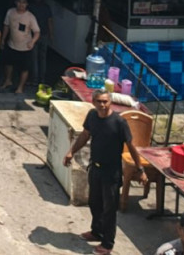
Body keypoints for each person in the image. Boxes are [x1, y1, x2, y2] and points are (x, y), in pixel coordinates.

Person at [63, 90, 145, 255]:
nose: (102, 105)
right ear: (93, 102)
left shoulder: (119, 122)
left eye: (105, 102)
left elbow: (131, 146)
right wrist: (71, 151)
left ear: (110, 102)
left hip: (111, 172)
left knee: (109, 209)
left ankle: (107, 244)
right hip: (95, 168)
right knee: (94, 203)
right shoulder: (92, 116)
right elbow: (85, 135)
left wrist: (140, 169)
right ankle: (96, 232)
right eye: (99, 101)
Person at [0, 0, 39, 94]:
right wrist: (3, 39)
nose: (21, 4)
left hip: (25, 47)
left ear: (27, 4)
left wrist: (32, 41)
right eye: (19, 2)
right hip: (11, 44)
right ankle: (8, 81)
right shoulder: (10, 12)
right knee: (8, 64)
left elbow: (37, 32)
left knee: (24, 69)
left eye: (24, 2)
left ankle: (20, 87)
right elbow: (6, 26)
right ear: (16, 2)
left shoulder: (30, 17)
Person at [29, 0, 54, 86]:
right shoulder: (46, 7)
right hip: (44, 34)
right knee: (43, 58)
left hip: (33, 35)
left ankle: (35, 80)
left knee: (34, 58)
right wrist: (51, 35)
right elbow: (50, 21)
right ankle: (42, 79)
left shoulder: (31, 7)